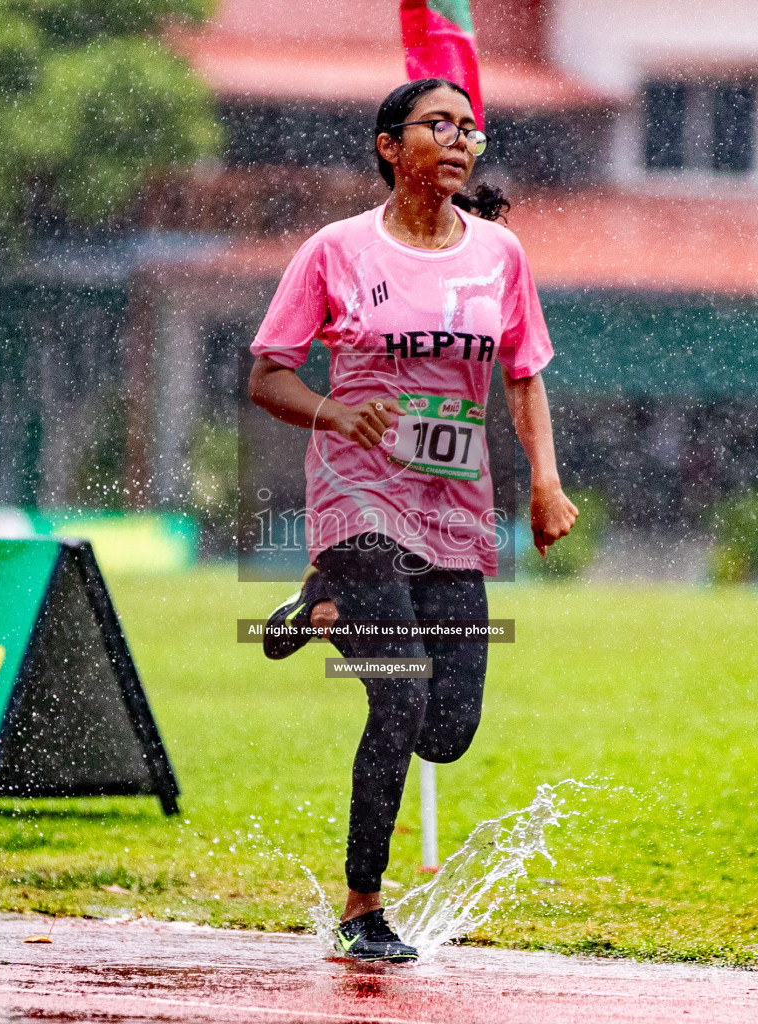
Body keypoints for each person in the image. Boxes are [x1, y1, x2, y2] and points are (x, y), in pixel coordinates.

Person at [246, 78, 577, 963]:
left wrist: (545, 482)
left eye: (470, 128)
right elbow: (267, 373)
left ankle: (319, 613)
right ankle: (363, 906)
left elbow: (522, 375)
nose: (460, 140)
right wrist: (328, 411)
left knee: (448, 726)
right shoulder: (335, 251)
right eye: (440, 125)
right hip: (357, 500)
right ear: (391, 146)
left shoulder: (499, 256)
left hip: (454, 508)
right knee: (399, 693)